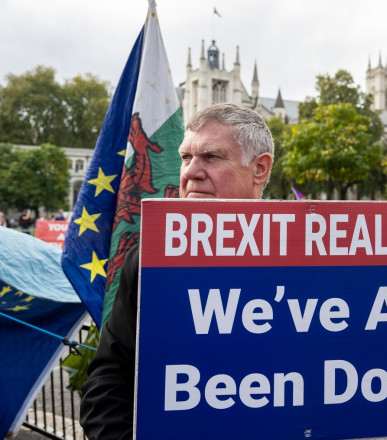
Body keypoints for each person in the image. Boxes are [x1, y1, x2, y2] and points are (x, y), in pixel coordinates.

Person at [79, 103, 274, 440]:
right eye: (186, 158)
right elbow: (108, 381)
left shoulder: (310, 259)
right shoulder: (147, 258)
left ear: (259, 169)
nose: (190, 173)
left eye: (211, 157)